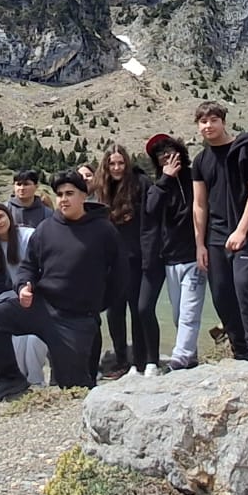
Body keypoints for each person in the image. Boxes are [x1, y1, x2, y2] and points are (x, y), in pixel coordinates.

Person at [0, 171, 121, 402]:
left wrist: (97, 306)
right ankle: (9, 381)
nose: (63, 199)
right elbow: (28, 267)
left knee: (75, 390)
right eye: (59, 194)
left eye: (70, 194)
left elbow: (119, 275)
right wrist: (23, 286)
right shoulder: (46, 229)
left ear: (84, 195)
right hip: (41, 306)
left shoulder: (104, 231)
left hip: (77, 319)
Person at [192, 101, 248, 365]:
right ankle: (239, 351)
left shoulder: (245, 151)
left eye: (213, 120)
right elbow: (199, 204)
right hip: (215, 237)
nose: (208, 126)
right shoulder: (200, 160)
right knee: (221, 295)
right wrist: (200, 245)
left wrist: (241, 230)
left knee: (245, 288)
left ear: (223, 122)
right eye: (203, 122)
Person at [141, 134, 205, 371]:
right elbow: (150, 210)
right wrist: (166, 179)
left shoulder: (194, 177)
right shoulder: (159, 185)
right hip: (170, 258)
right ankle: (191, 356)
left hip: (194, 255)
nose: (168, 159)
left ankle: (180, 357)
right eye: (161, 157)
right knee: (179, 313)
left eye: (170, 153)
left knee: (190, 309)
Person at [94, 146, 151, 378]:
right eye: (112, 164)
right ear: (106, 167)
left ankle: (140, 360)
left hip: (136, 259)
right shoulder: (101, 189)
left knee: (138, 310)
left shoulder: (140, 184)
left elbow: (150, 220)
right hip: (110, 262)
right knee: (114, 313)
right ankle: (120, 360)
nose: (117, 168)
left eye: (120, 163)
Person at [0, 204, 46, 385]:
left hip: (38, 295)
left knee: (34, 341)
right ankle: (22, 384)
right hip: (14, 299)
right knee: (16, 342)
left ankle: (37, 382)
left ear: (9, 216)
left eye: (0, 217)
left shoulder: (28, 236)